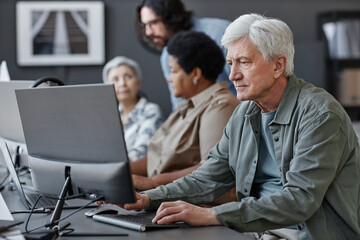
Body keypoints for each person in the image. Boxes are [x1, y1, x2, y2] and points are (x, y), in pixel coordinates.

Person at [121, 14, 360, 239]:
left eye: (243, 62)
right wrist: (146, 199)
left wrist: (213, 215)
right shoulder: (245, 113)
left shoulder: (321, 115)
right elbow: (207, 179)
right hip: (254, 231)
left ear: (278, 66)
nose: (233, 75)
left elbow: (299, 200)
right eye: (230, 63)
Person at [130, 31, 239, 197]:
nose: (169, 78)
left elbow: (211, 169)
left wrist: (152, 183)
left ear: (195, 74)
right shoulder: (185, 106)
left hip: (191, 207)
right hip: (158, 198)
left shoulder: (220, 106)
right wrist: (120, 172)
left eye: (173, 71)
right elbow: (156, 159)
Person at [135, 0, 236, 110]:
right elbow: (180, 106)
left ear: (170, 17)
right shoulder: (167, 56)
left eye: (153, 23)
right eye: (144, 25)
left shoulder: (219, 33)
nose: (148, 32)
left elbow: (245, 87)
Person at [102, 56, 163, 162]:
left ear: (138, 82)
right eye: (115, 79)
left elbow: (141, 153)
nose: (122, 84)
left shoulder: (151, 111)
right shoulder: (110, 115)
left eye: (128, 77)